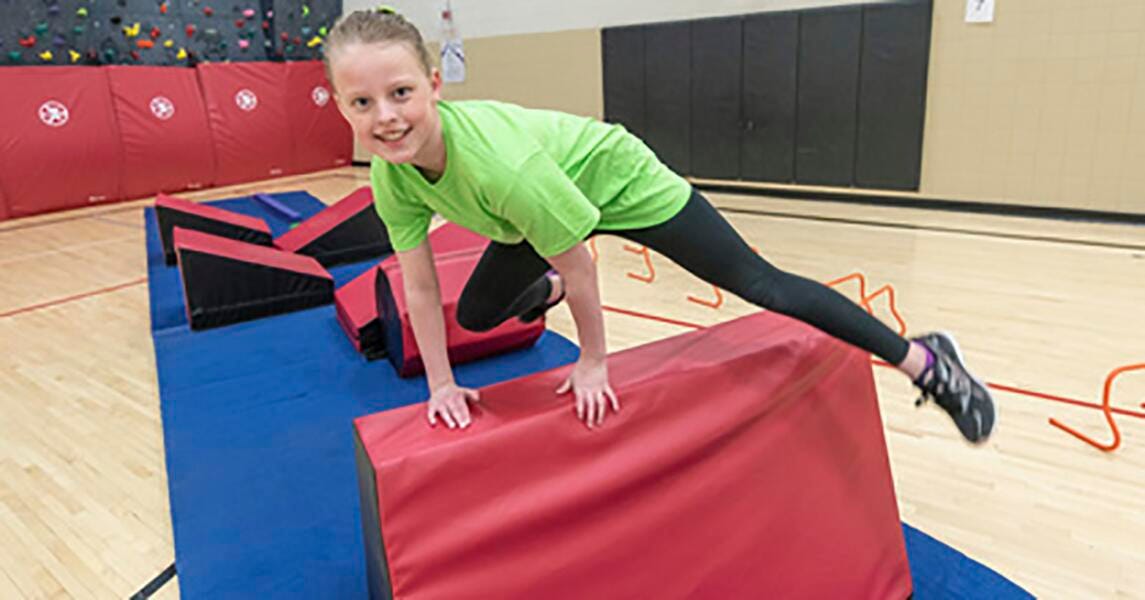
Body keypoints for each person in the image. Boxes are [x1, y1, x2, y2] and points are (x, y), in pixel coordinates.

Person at [323, 8, 995, 442]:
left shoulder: (502, 168)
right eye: (363, 102)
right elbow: (419, 288)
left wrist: (593, 361)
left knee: (761, 284)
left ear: (435, 83)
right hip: (539, 211)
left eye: (401, 93)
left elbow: (582, 262)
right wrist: (441, 384)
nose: (386, 117)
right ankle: (543, 290)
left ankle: (927, 362)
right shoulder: (391, 173)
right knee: (474, 314)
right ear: (342, 106)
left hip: (619, 181)